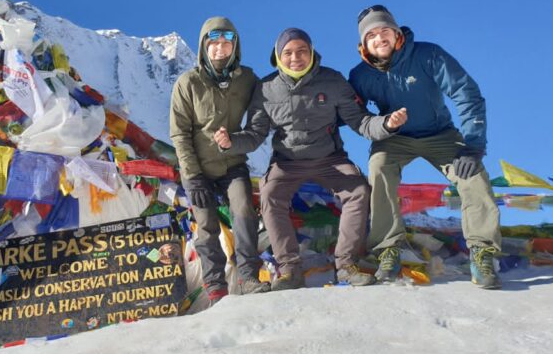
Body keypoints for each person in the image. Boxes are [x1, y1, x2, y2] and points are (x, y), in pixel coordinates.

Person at [217, 28, 406, 289]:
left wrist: (387, 124)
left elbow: (360, 121)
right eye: (288, 52)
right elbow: (254, 135)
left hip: (329, 159)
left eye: (302, 51)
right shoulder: (266, 89)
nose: (296, 57)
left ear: (312, 52)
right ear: (278, 56)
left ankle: (346, 265)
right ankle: (289, 270)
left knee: (358, 190)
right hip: (287, 162)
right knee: (270, 194)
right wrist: (231, 142)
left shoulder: (333, 81)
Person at [349, 5, 502, 289]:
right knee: (379, 167)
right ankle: (388, 250)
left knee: (472, 175)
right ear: (364, 45)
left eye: (385, 31)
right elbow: (354, 116)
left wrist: (473, 145)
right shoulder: (360, 76)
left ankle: (483, 252)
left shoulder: (428, 55)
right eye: (372, 35)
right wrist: (383, 124)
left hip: (440, 134)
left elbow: (466, 93)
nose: (379, 38)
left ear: (397, 35)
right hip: (394, 139)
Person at [170, 16, 263, 305]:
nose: (220, 48)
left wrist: (235, 141)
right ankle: (215, 288)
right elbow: (179, 133)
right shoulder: (188, 83)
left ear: (235, 46)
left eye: (227, 42)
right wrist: (193, 175)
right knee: (206, 222)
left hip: (232, 163)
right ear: (204, 46)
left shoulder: (248, 79)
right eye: (214, 42)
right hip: (198, 167)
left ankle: (248, 277)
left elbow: (258, 124)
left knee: (244, 210)